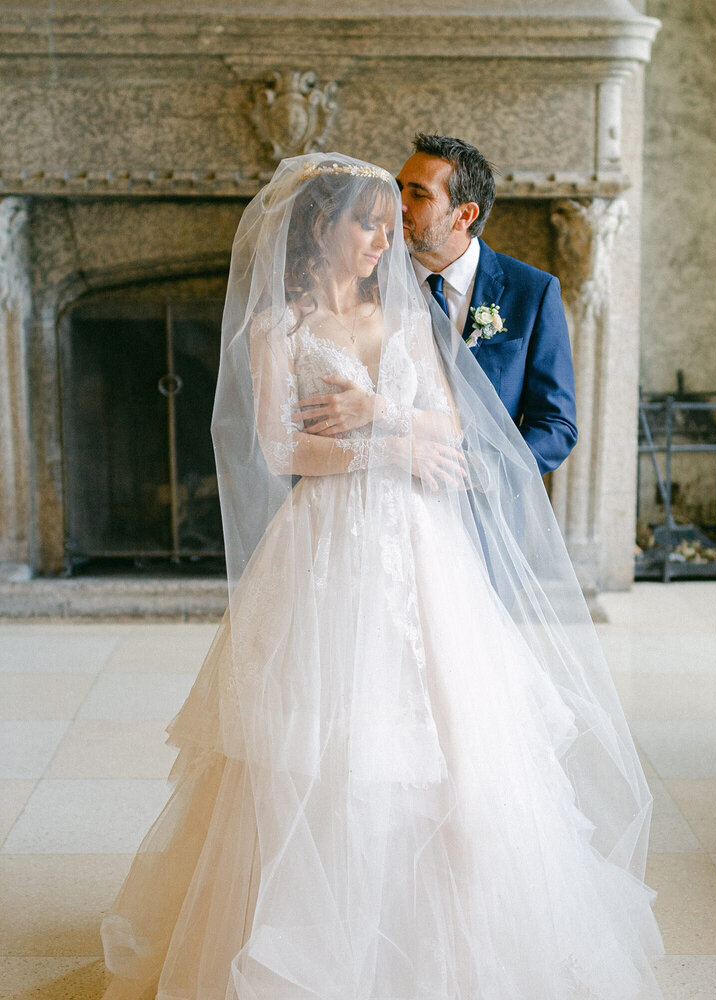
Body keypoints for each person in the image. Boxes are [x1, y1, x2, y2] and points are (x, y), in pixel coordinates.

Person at [100, 153, 663, 1000]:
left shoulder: (405, 318)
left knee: (449, 737)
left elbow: (447, 418)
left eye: (390, 223)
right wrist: (388, 453)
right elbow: (282, 450)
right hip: (326, 547)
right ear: (319, 229)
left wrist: (383, 422)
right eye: (367, 222)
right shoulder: (276, 331)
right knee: (323, 739)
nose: (383, 240)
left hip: (424, 546)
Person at [397, 133, 578, 476]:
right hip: (392, 500)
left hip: (486, 516)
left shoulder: (533, 292)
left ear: (464, 215)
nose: (399, 204)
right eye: (399, 188)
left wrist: (488, 473)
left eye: (418, 194)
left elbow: (556, 425)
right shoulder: (369, 282)